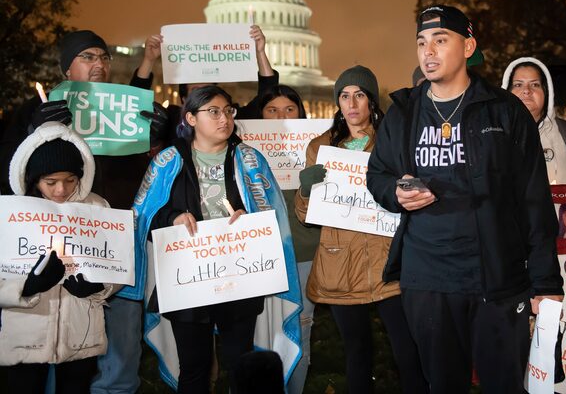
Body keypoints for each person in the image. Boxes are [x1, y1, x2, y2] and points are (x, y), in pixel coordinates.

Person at [367, 5, 563, 393]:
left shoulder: (505, 111)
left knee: (503, 384)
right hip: (427, 281)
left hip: (497, 278)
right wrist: (395, 192)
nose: (429, 51)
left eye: (440, 40)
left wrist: (545, 283)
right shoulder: (402, 112)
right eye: (422, 42)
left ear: (468, 46)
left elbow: (534, 202)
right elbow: (378, 175)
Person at [135, 86, 302, 393]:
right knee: (195, 366)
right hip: (187, 280)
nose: (223, 118)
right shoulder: (168, 161)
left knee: (242, 363)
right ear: (191, 118)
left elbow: (271, 215)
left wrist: (249, 218)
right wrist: (172, 217)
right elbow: (145, 217)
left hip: (240, 278)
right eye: (213, 111)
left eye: (228, 110)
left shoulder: (250, 160)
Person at [295, 66, 427, 394]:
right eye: (344, 95)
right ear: (337, 102)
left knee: (407, 351)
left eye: (359, 95)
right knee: (356, 353)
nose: (352, 103)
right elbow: (306, 215)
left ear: (371, 101)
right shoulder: (320, 147)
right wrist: (306, 191)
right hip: (341, 262)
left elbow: (414, 188)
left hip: (389, 260)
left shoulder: (394, 139)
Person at [1, 122, 118, 394]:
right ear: (33, 180)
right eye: (50, 182)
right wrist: (25, 288)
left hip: (80, 335)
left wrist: (100, 287)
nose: (61, 190)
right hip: (25, 333)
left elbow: (116, 265)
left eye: (70, 180)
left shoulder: (97, 208)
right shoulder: (11, 213)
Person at [253, 84, 316, 394]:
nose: (281, 116)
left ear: (301, 113)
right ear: (260, 115)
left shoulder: (314, 150)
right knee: (260, 335)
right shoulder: (243, 154)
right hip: (257, 257)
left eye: (289, 109)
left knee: (299, 331)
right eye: (272, 110)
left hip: (303, 253)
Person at [501, 57, 566, 184]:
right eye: (518, 84)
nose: (526, 91)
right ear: (506, 92)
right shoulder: (490, 134)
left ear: (547, 92)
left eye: (535, 84)